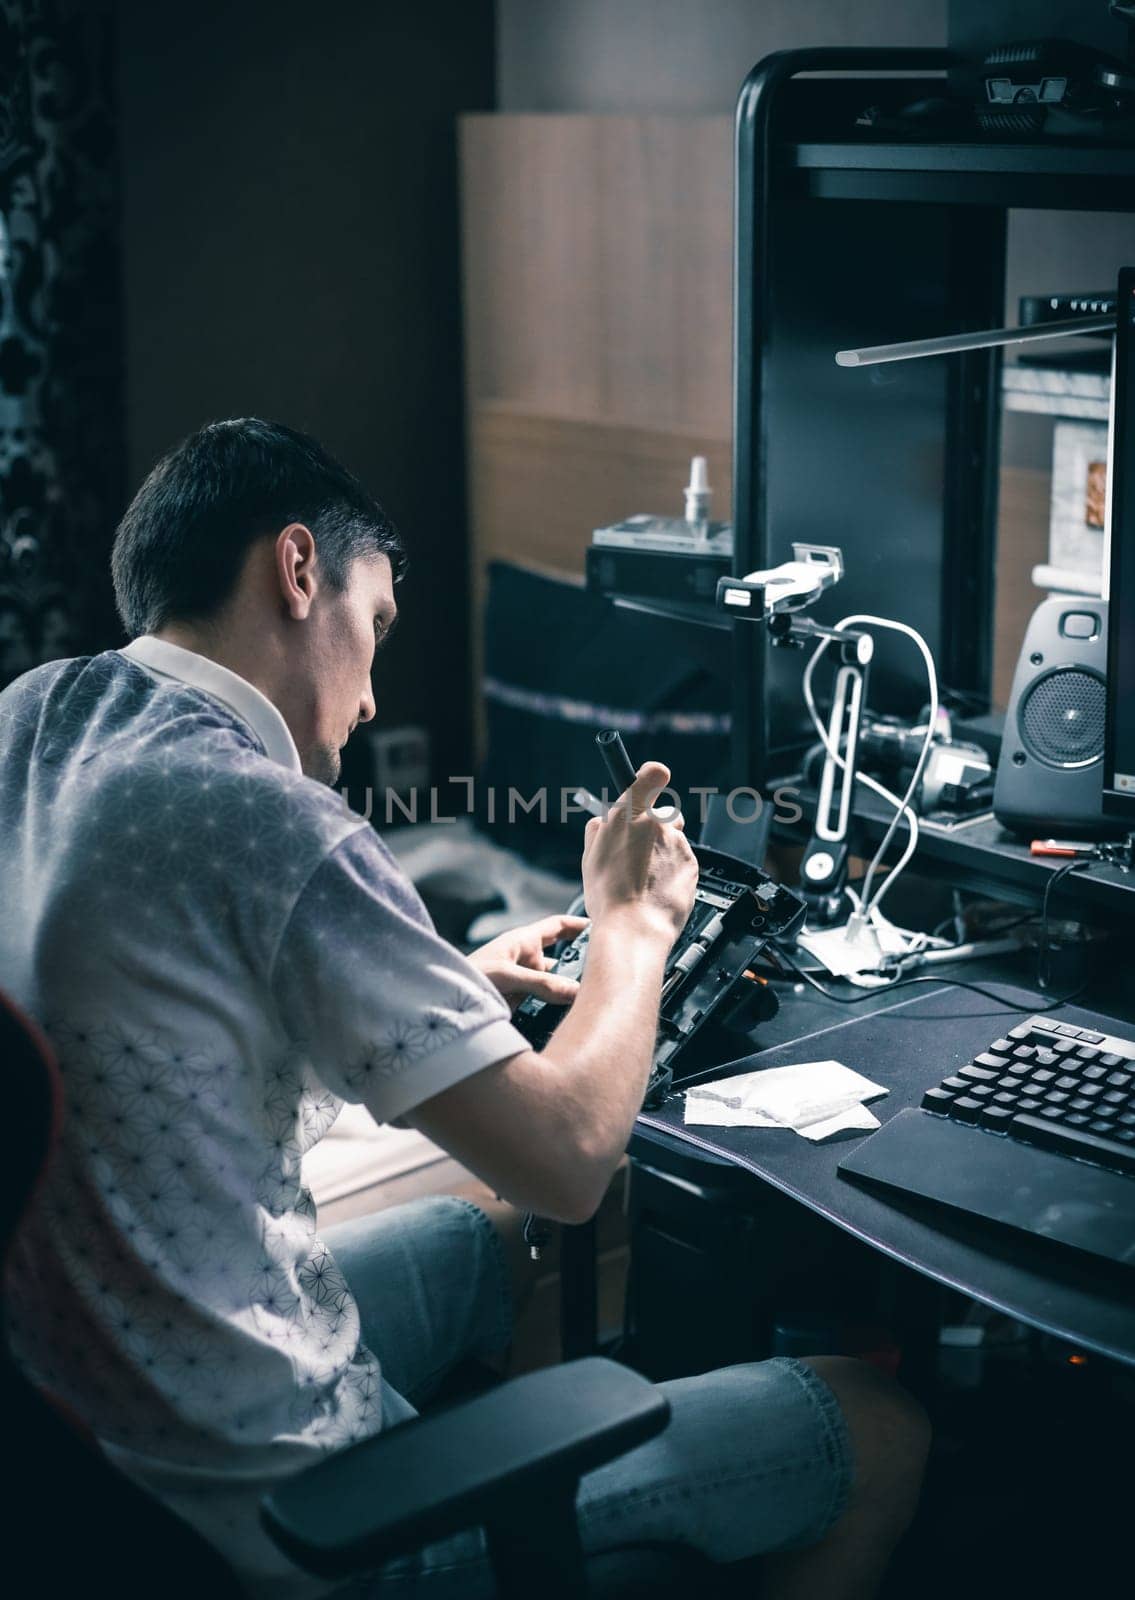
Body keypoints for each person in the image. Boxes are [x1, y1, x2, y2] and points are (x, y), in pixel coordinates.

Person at [0, 418, 929, 1598]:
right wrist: (633, 929)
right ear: (298, 571)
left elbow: (152, 1028)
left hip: (89, 1429)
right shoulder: (271, 817)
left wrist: (441, 997)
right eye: (375, 624)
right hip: (262, 1512)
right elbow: (568, 1162)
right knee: (877, 1421)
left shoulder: (35, 714)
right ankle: (473, 1539)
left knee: (488, 1243)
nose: (375, 692)